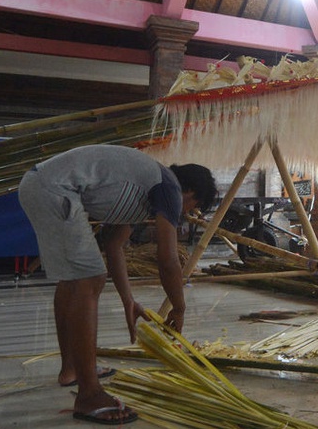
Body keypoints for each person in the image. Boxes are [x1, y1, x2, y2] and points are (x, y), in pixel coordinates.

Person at [18, 144, 218, 425]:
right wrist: (180, 308)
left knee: (74, 281)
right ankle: (89, 394)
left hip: (42, 186)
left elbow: (114, 246)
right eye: (191, 208)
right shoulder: (168, 188)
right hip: (54, 189)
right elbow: (168, 260)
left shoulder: (146, 187)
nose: (184, 214)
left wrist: (129, 301)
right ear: (190, 194)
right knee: (89, 278)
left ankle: (71, 370)